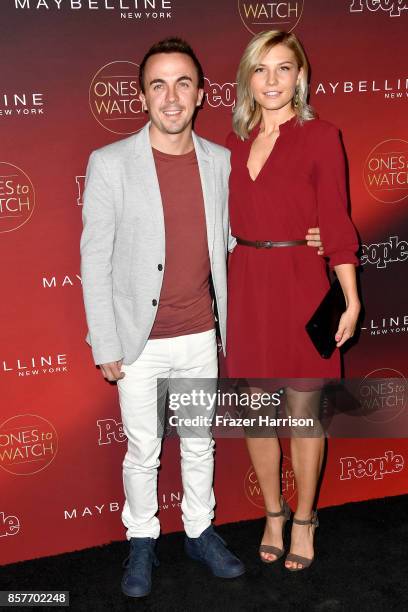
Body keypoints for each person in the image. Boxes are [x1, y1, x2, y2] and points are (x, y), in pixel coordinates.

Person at [80, 37, 323, 596]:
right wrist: (106, 345)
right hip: (137, 342)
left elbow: (246, 231)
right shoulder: (110, 164)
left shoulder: (221, 160)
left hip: (200, 334)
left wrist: (310, 237)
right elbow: (93, 262)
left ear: (200, 93)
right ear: (142, 96)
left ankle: (198, 531)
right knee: (142, 448)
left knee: (199, 443)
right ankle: (142, 542)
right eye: (158, 84)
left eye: (183, 83)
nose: (171, 96)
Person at [225, 30, 361, 571]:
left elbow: (337, 221)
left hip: (304, 283)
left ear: (301, 76)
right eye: (262, 69)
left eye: (284, 68)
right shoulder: (232, 140)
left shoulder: (322, 135)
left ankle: (305, 518)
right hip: (248, 282)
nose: (273, 80)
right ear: (248, 79)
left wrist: (350, 299)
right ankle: (273, 513)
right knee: (258, 412)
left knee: (304, 412)